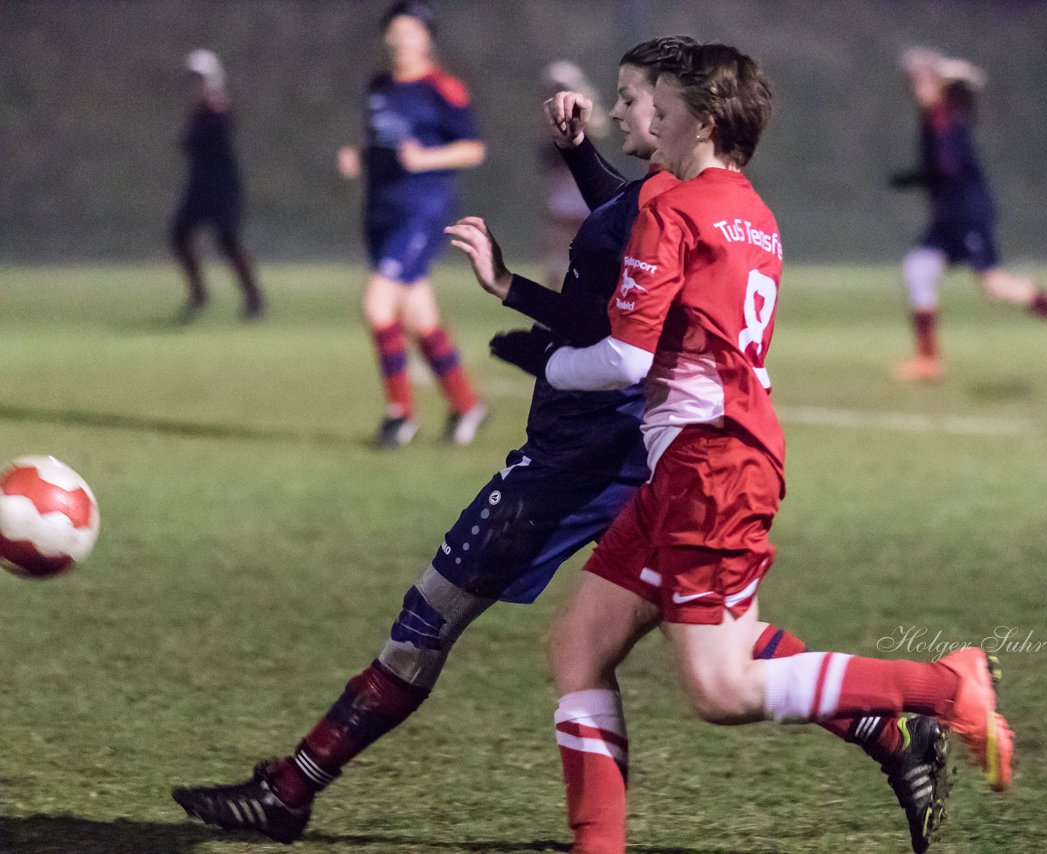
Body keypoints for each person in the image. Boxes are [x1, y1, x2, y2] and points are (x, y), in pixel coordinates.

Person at [170, 38, 948, 853]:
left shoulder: (669, 201)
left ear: (678, 113)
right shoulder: (681, 190)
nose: (617, 109)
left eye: (633, 96)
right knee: (689, 641)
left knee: (432, 617)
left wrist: (520, 302)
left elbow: (618, 330)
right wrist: (577, 160)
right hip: (649, 450)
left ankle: (293, 789)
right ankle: (889, 737)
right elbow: (622, 228)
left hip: (583, 450)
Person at [495, 44, 1015, 853]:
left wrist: (553, 361)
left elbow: (628, 359)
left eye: (657, 108)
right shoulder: (751, 212)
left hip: (711, 466)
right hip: (709, 457)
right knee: (580, 645)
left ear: (699, 122)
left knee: (722, 688)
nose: (644, 119)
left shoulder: (672, 208)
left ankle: (947, 685)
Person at [889, 47, 1047, 382]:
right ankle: (928, 360)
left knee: (995, 285)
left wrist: (920, 176)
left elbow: (948, 165)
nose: (917, 87)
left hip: (968, 215)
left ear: (939, 85)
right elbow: (939, 168)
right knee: (918, 269)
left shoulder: (946, 115)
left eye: (924, 81)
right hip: (947, 219)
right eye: (915, 81)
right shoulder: (934, 117)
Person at [337, 0, 487, 447]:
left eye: (409, 30)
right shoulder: (379, 86)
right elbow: (378, 141)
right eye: (394, 30)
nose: (399, 38)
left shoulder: (444, 89)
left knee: (377, 307)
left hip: (421, 211)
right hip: (380, 210)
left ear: (426, 38)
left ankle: (399, 415)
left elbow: (473, 149)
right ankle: (467, 405)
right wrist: (358, 156)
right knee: (421, 318)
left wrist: (427, 159)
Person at [170, 49, 265, 323]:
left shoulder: (217, 104)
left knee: (227, 239)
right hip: (200, 183)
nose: (195, 84)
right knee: (179, 235)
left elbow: (217, 124)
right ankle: (199, 295)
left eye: (200, 78)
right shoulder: (199, 108)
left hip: (223, 183)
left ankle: (254, 297)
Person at [539, 60, 608, 286]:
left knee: (579, 250)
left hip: (579, 190)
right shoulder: (550, 115)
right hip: (563, 188)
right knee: (556, 253)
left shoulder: (587, 114)